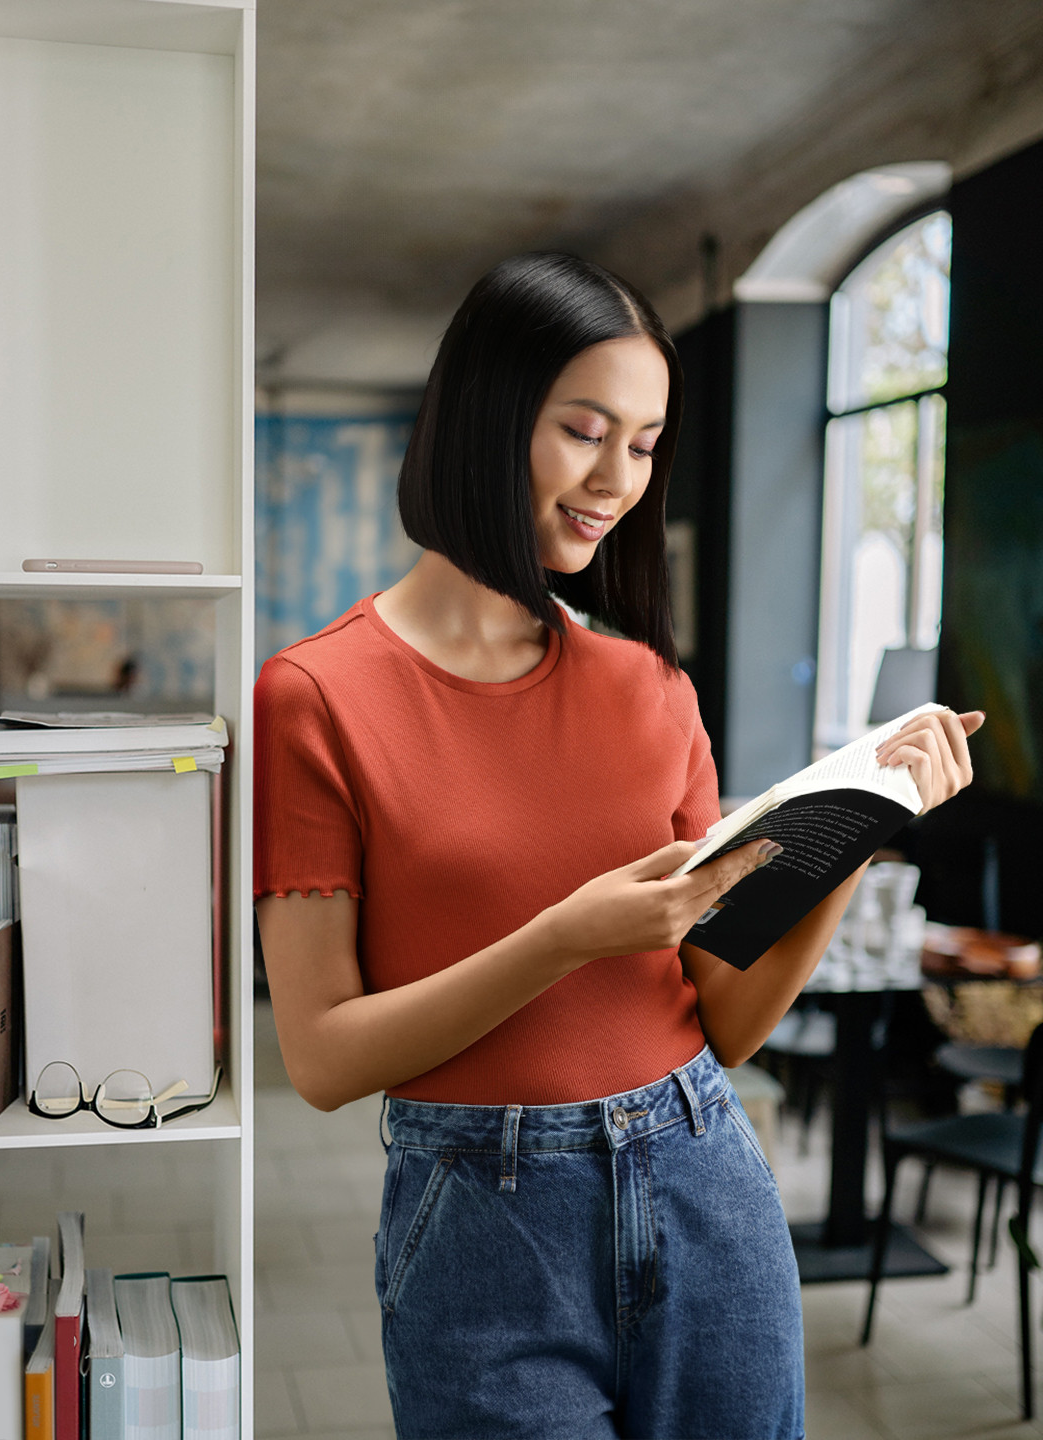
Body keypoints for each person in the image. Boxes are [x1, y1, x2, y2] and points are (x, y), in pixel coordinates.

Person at [254, 251, 982, 1440]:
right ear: (488, 416)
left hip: (702, 1176)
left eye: (643, 446)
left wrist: (856, 833)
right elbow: (324, 1057)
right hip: (479, 1220)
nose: (617, 481)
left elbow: (729, 1025)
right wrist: (561, 939)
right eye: (586, 432)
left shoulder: (651, 689)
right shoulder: (316, 696)